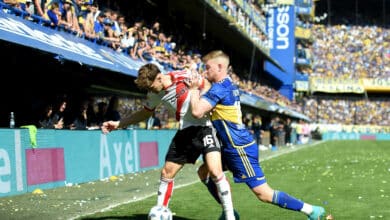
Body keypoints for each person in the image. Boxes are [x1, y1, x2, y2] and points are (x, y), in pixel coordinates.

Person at [186, 50, 326, 220]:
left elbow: (197, 111)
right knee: (204, 172)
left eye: (207, 67)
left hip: (239, 148)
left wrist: (193, 89)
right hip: (230, 146)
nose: (204, 70)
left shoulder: (221, 88)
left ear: (220, 67)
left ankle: (311, 210)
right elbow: (208, 91)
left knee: (263, 194)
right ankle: (229, 212)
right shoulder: (226, 84)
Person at [101, 63, 236, 219]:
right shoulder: (154, 93)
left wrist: (202, 95)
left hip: (206, 126)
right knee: (167, 172)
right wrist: (118, 124)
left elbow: (207, 86)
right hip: (185, 131)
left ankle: (230, 215)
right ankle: (160, 212)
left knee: (214, 171)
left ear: (159, 77)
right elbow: (144, 113)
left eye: (151, 87)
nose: (150, 91)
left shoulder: (183, 76)